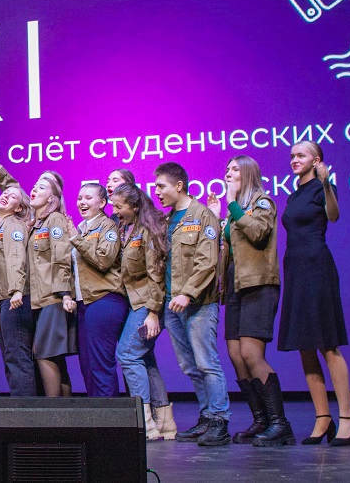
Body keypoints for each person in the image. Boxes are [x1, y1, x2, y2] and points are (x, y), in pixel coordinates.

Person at [208, 156, 294, 446]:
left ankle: (280, 424)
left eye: (234, 169)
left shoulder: (262, 202)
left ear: (248, 173)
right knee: (235, 355)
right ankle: (261, 419)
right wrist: (218, 217)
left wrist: (232, 203)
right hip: (235, 287)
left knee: (251, 354)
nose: (228, 173)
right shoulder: (234, 212)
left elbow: (258, 233)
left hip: (258, 284)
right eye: (226, 169)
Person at [277, 141, 350, 446]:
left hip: (317, 267)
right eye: (292, 156)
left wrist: (325, 183)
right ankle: (323, 417)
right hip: (295, 269)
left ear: (317, 160)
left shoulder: (323, 187)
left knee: (327, 342)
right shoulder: (294, 193)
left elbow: (333, 216)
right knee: (304, 345)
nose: (294, 160)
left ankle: (347, 419)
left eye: (301, 155)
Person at [0, 142, 77, 397]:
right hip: (37, 299)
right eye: (35, 185)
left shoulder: (54, 219)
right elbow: (12, 189)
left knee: (45, 356)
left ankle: (52, 412)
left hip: (50, 297)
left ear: (53, 197)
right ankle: (61, 412)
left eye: (42, 186)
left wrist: (65, 294)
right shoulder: (33, 223)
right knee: (47, 357)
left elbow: (61, 258)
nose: (33, 189)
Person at [154, 162, 230, 447]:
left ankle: (220, 420)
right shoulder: (166, 220)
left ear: (179, 186)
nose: (157, 192)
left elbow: (208, 261)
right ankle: (207, 415)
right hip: (171, 304)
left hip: (198, 303)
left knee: (207, 363)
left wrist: (187, 293)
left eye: (161, 186)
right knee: (189, 365)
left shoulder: (202, 215)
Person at [111, 183, 176, 440]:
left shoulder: (148, 231)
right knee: (145, 359)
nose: (115, 211)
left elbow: (156, 274)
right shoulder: (125, 229)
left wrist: (153, 313)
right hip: (133, 302)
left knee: (127, 355)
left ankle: (145, 421)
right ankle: (165, 422)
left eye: (119, 206)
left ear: (135, 206)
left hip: (147, 303)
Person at [0, 177, 36, 396]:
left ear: (19, 208)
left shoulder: (13, 225)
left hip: (15, 299)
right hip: (2, 299)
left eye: (13, 197)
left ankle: (26, 411)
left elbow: (16, 257)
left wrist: (17, 290)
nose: (6, 196)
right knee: (11, 356)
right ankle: (19, 408)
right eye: (5, 193)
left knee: (17, 356)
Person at [69, 183, 127, 398]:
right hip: (83, 302)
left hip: (104, 299)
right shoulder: (81, 228)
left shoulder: (107, 226)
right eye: (79, 198)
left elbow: (104, 260)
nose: (82, 202)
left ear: (102, 203)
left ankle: (110, 415)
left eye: (88, 198)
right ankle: (96, 413)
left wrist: (76, 239)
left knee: (101, 363)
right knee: (87, 365)